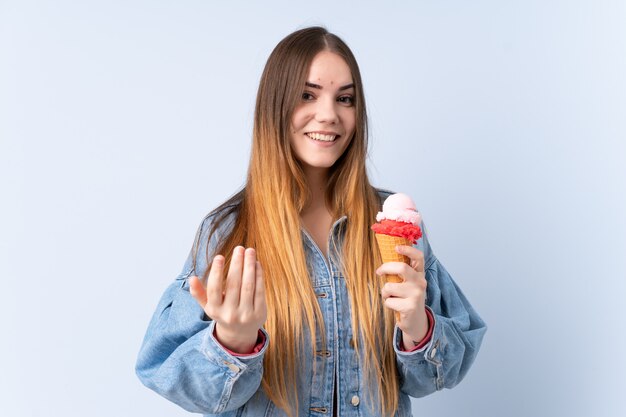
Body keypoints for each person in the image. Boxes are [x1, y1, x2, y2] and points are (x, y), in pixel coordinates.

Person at [135, 26, 487, 417]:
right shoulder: (228, 231)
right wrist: (232, 343)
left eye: (345, 99)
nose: (329, 114)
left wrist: (417, 327)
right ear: (276, 105)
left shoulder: (391, 223)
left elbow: (436, 376)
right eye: (308, 95)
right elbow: (166, 372)